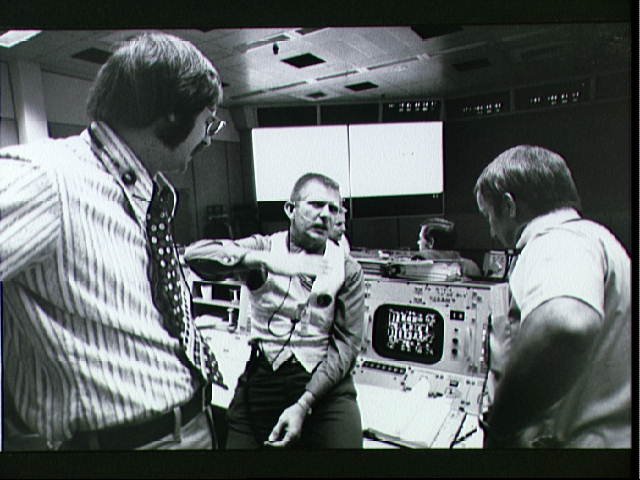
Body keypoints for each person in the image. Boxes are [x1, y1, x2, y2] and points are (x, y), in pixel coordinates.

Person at [0, 33, 227, 450]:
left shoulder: (142, 193)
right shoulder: (48, 179)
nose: (209, 138)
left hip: (194, 423)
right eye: (207, 121)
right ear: (171, 115)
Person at [185, 173, 365, 449]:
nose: (325, 215)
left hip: (324, 385)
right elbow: (195, 255)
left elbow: (345, 348)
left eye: (333, 209)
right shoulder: (266, 247)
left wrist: (304, 403)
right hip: (264, 378)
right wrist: (269, 261)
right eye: (316, 205)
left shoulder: (347, 268)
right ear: (290, 209)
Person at [474, 145, 631, 448]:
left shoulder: (556, 241)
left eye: (489, 216)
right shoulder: (597, 238)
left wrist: (500, 425)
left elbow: (565, 324)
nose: (492, 232)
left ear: (509, 206)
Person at [413, 217, 482, 278]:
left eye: (420, 239)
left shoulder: (417, 268)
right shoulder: (472, 266)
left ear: (431, 242)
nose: (418, 242)